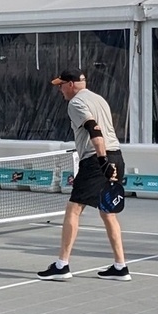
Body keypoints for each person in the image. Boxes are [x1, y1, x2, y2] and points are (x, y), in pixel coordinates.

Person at [37, 69, 130, 282]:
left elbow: (94, 130)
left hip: (97, 160)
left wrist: (102, 160)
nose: (60, 90)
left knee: (74, 208)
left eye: (61, 85)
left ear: (70, 84)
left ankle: (62, 265)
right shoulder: (99, 99)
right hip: (117, 156)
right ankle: (120, 266)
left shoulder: (76, 103)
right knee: (108, 212)